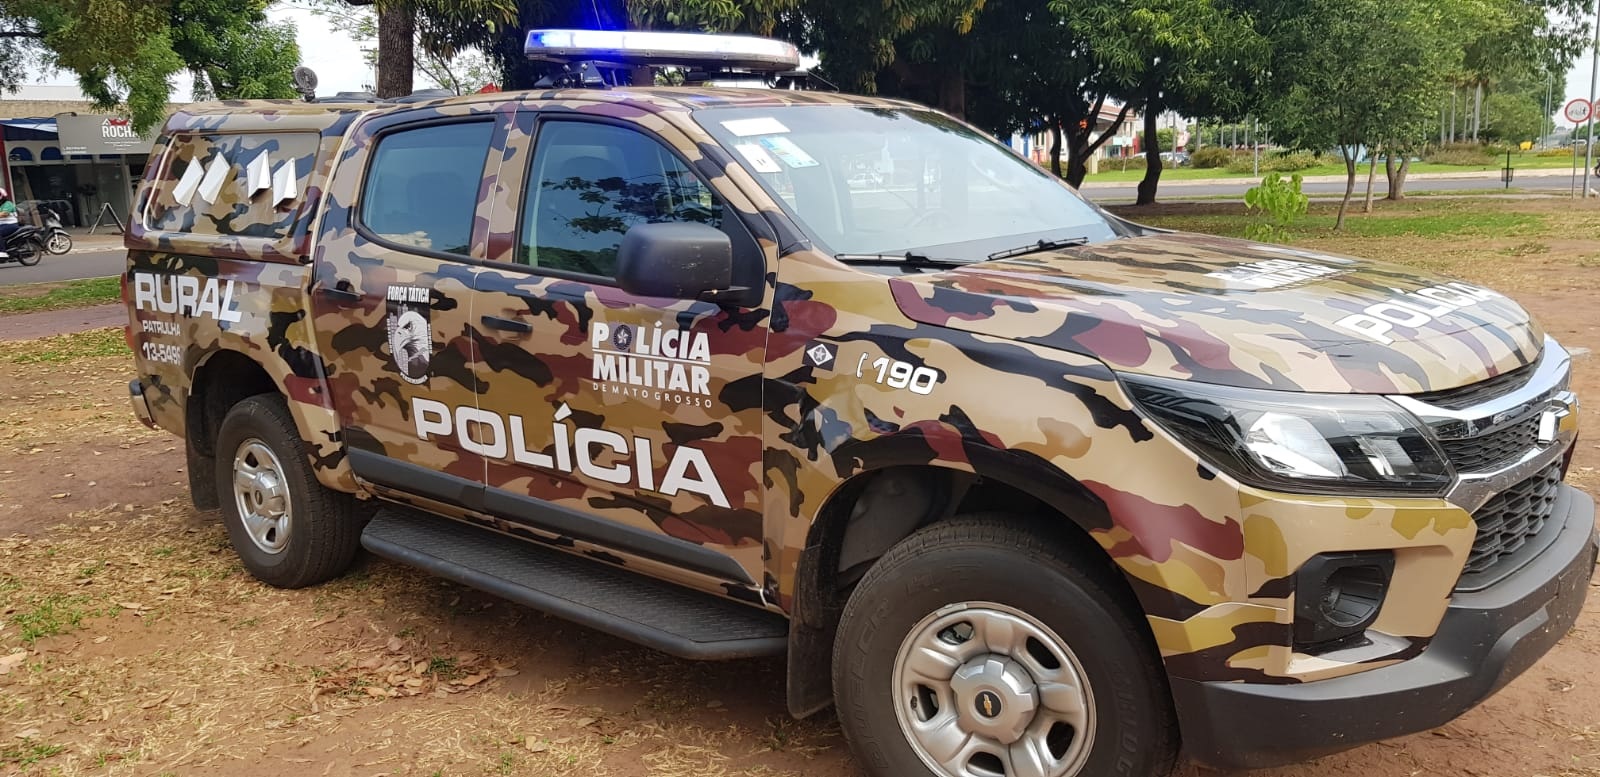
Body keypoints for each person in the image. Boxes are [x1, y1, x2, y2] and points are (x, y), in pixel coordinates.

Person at [0, 189, 18, 259]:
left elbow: (4, 214)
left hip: (11, 224)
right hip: (2, 225)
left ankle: (2, 251)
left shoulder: (8, 204)